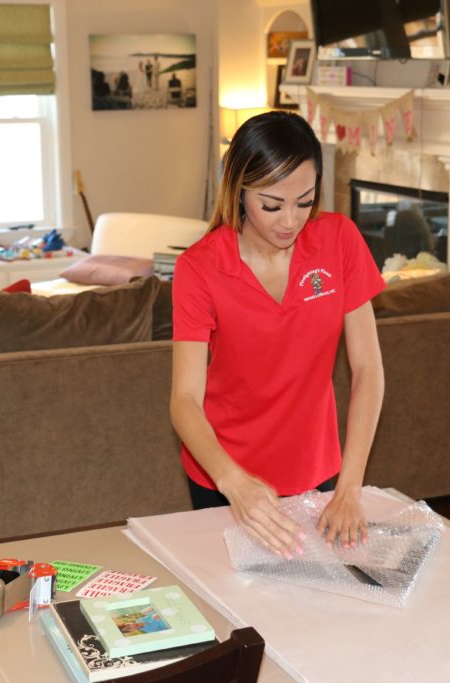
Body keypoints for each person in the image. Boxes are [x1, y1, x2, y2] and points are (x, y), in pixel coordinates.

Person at [170, 111, 386, 559]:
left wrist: (350, 488)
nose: (290, 220)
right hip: (224, 478)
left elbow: (367, 370)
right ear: (239, 191)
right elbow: (184, 400)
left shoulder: (340, 240)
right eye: (271, 205)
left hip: (317, 471)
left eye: (304, 202)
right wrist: (233, 482)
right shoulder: (199, 269)